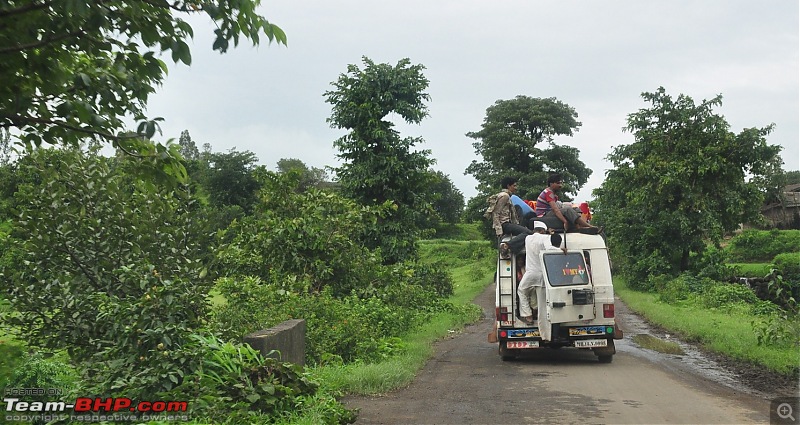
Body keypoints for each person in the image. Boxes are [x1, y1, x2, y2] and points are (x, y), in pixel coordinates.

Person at [516, 221, 566, 342]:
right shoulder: (545, 238)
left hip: (530, 273)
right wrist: (561, 250)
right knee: (543, 307)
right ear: (543, 230)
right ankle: (545, 336)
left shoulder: (528, 238)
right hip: (542, 275)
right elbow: (549, 249)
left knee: (521, 291)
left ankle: (527, 315)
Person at [534, 173, 600, 233]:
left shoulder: (553, 194)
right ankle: (588, 226)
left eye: (561, 183)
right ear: (551, 184)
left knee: (576, 209)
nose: (560, 185)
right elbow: (555, 210)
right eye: (558, 183)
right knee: (567, 209)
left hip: (549, 212)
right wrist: (565, 221)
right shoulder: (549, 193)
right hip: (544, 214)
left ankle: (579, 227)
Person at [491, 177, 533, 256]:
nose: (516, 188)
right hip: (505, 224)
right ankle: (507, 245)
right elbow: (495, 213)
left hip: (508, 223)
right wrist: (498, 230)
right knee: (528, 232)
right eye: (514, 186)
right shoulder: (504, 196)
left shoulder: (507, 196)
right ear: (508, 186)